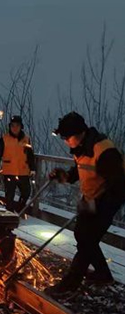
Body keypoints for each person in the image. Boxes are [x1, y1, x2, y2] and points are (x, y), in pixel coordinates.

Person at [45, 112, 125, 299]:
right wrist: (62, 176)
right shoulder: (81, 148)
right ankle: (103, 275)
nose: (65, 141)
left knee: (88, 239)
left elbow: (119, 187)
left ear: (79, 133)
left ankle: (71, 283)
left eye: (67, 137)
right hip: (90, 199)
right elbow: (77, 173)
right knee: (81, 234)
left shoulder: (103, 150)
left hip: (107, 202)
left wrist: (99, 207)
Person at [0, 115, 35, 214]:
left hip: (23, 172)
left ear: (21, 126)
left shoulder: (26, 139)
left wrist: (33, 169)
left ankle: (19, 209)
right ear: (10, 126)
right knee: (9, 196)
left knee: (26, 193)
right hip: (9, 172)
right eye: (12, 125)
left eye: (17, 125)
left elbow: (30, 156)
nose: (15, 128)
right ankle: (9, 214)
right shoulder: (4, 139)